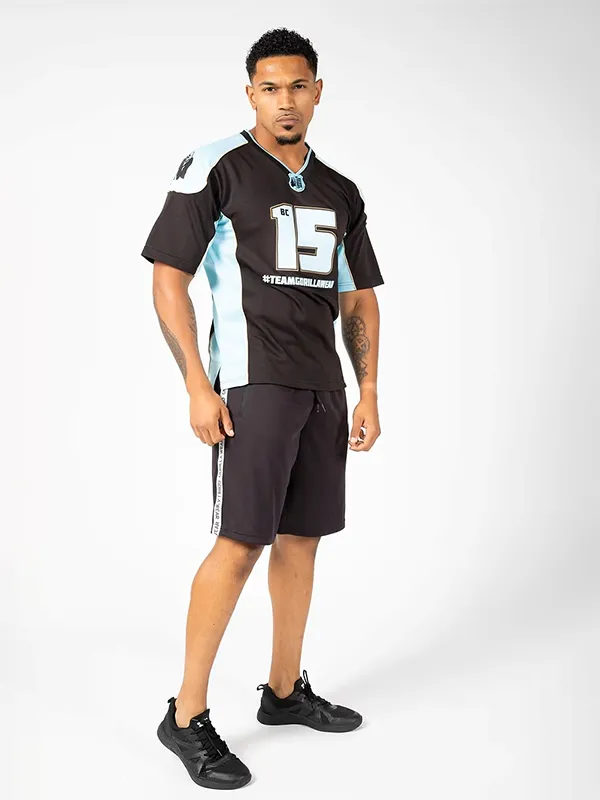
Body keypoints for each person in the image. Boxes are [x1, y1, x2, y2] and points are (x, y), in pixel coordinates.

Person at [141, 27, 384, 791]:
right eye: (271, 87)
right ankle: (185, 717)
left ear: (318, 92)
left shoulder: (339, 189)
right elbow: (168, 279)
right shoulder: (218, 166)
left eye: (298, 86)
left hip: (323, 389)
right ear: (250, 93)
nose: (286, 101)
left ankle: (283, 693)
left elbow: (358, 296)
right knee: (241, 542)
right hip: (252, 386)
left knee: (302, 539)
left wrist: (368, 389)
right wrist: (197, 384)